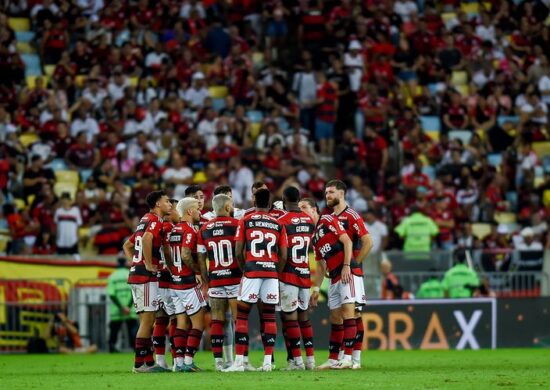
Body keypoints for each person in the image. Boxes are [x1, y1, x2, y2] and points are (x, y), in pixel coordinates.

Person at [225, 188, 288, 372]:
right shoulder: (277, 224)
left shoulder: (245, 220)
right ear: (269, 204)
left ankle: (238, 362)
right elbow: (283, 255)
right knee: (269, 315)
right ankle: (268, 362)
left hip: (252, 271)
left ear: (254, 203)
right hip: (271, 273)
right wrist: (276, 271)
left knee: (242, 315)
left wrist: (245, 267)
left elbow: (238, 251)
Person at [301, 196, 361, 370]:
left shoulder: (327, 219)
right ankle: (334, 359)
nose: (301, 210)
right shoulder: (313, 237)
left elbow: (347, 241)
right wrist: (316, 289)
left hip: (346, 273)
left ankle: (348, 358)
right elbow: (320, 268)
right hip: (333, 276)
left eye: (304, 207)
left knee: (348, 313)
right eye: (299, 208)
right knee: (335, 317)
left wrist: (346, 266)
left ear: (314, 209)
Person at [123, 190, 172, 373]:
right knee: (147, 320)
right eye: (167, 201)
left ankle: (149, 363)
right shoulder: (154, 221)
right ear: (158, 204)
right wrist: (149, 264)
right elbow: (146, 239)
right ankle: (138, 365)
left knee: (147, 319)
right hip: (145, 276)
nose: (170, 205)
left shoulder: (144, 220)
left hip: (137, 274)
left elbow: (127, 245)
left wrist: (133, 262)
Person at [324, 180, 372, 369]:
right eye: (326, 192)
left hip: (350, 273)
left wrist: (353, 263)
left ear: (342, 194)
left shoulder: (351, 215)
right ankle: (345, 359)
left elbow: (368, 242)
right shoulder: (329, 218)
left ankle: (353, 359)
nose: (327, 195)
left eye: (331, 192)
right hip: (337, 274)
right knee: (342, 315)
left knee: (352, 313)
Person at [197, 193, 242, 371]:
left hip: (215, 279)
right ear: (227, 207)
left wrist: (207, 280)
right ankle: (236, 361)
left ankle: (218, 363)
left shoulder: (205, 229)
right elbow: (240, 252)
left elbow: (201, 258)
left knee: (217, 321)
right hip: (234, 278)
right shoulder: (237, 225)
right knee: (239, 320)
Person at [278, 186, 316, 370]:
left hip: (289, 274)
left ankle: (297, 362)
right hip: (305, 272)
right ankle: (311, 360)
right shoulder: (309, 220)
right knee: (304, 318)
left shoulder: (282, 221)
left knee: (290, 318)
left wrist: (277, 273)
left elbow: (283, 253)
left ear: (284, 200)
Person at [167, 197, 207, 372]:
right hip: (187, 283)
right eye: (197, 209)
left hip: (174, 283)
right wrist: (198, 271)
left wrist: (173, 271)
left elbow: (166, 253)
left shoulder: (173, 230)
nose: (200, 212)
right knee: (198, 323)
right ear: (190, 211)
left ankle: (179, 362)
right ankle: (189, 362)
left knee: (181, 323)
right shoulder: (190, 230)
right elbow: (185, 255)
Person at [153, 198, 180, 370]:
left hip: (157, 279)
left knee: (160, 320)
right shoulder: (172, 229)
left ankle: (160, 361)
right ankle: (178, 360)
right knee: (177, 319)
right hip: (171, 279)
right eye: (176, 209)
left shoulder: (157, 227)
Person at [107, 257, 138, 353]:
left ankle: (112, 348)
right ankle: (135, 348)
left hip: (117, 309)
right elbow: (134, 292)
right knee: (132, 329)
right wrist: (128, 307)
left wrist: (121, 307)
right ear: (125, 263)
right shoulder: (130, 274)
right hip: (130, 309)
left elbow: (111, 294)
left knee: (114, 330)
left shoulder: (112, 276)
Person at [54, 192, 82, 259]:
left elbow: (78, 226)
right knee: (60, 261)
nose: (65, 202)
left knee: (76, 260)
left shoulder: (76, 210)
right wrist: (57, 238)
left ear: (70, 201)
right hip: (61, 241)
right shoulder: (58, 211)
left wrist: (78, 238)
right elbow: (57, 226)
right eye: (63, 200)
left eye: (66, 200)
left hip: (73, 240)